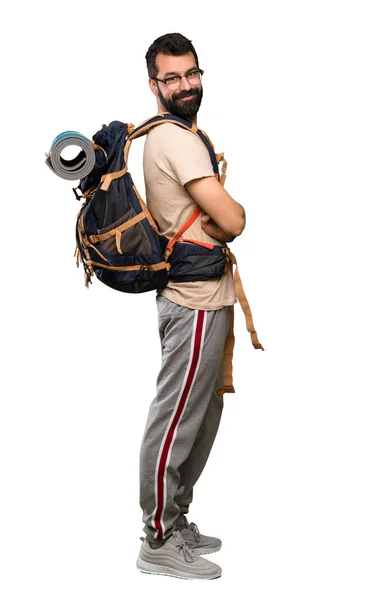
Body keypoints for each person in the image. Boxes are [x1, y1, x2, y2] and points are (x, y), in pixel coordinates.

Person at [137, 32, 246, 580]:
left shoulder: (185, 132)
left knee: (201, 419)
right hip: (192, 301)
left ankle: (176, 521)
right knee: (176, 419)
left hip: (210, 294)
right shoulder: (175, 141)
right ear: (154, 84)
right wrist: (227, 214)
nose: (185, 85)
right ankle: (156, 538)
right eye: (172, 77)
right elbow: (234, 221)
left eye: (192, 73)